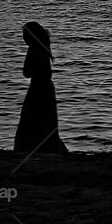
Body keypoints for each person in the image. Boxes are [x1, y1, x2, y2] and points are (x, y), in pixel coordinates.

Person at [14, 21, 68, 154]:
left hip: (37, 87)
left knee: (31, 117)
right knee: (45, 119)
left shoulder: (33, 49)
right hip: (46, 87)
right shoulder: (44, 48)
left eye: (25, 35)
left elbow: (26, 72)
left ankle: (30, 146)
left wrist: (31, 70)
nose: (24, 38)